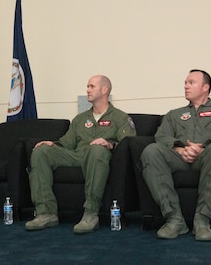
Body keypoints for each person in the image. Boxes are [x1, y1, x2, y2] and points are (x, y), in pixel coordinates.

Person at [140, 69, 211, 241]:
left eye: (191, 82)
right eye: (185, 83)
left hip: (208, 158)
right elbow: (161, 136)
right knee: (151, 151)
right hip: (179, 159)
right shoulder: (174, 114)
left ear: (205, 87)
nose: (185, 86)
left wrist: (204, 150)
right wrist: (179, 149)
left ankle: (202, 220)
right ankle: (174, 219)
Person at [25, 75, 136, 234]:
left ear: (104, 90)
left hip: (100, 157)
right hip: (77, 155)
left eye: (91, 86)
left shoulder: (120, 117)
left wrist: (110, 144)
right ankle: (46, 213)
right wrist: (53, 145)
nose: (87, 90)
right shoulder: (80, 119)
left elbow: (129, 144)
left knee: (96, 149)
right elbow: (67, 144)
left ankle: (91, 214)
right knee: (41, 151)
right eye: (87, 86)